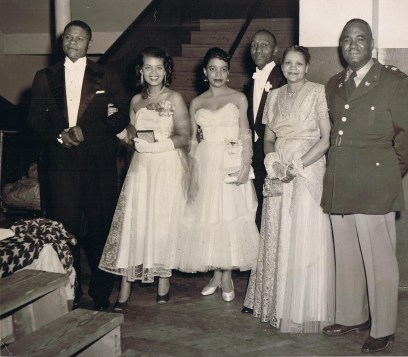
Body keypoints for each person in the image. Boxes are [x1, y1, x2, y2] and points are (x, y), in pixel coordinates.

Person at [321, 19, 408, 353]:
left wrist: (389, 174)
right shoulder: (334, 83)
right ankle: (352, 315)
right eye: (347, 40)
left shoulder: (393, 81)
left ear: (372, 44)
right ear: (341, 46)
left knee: (379, 259)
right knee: (346, 254)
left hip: (376, 182)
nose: (352, 45)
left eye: (360, 39)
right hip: (341, 180)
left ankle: (384, 327)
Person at [27, 20, 130, 311]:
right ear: (63, 41)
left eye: (80, 38)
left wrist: (88, 131)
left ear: (89, 43)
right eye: (69, 38)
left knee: (99, 228)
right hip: (61, 164)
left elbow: (122, 116)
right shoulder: (43, 76)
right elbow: (34, 119)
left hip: (98, 163)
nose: (73, 43)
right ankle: (69, 291)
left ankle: (100, 294)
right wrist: (58, 136)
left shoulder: (107, 75)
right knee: (64, 227)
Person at [242, 45, 335, 333]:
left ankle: (304, 306)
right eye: (288, 63)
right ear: (282, 67)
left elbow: (326, 138)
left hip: (308, 167)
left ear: (307, 67)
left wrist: (298, 166)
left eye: (299, 64)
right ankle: (277, 304)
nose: (293, 68)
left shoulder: (318, 92)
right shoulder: (275, 96)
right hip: (278, 168)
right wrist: (273, 162)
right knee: (278, 232)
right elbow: (268, 138)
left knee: (303, 232)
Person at [99, 47, 191, 309]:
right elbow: (132, 132)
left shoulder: (174, 98)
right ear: (140, 71)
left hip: (166, 165)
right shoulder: (135, 101)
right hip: (142, 167)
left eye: (159, 67)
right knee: (134, 222)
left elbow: (184, 136)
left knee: (162, 223)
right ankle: (125, 286)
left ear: (166, 71)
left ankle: (164, 280)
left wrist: (158, 145)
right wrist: (122, 133)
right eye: (148, 67)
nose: (153, 73)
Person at [176, 47, 260, 302]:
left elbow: (246, 135)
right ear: (205, 72)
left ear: (228, 72)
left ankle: (226, 277)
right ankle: (215, 274)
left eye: (223, 69)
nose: (218, 74)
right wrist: (191, 172)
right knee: (209, 217)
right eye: (212, 69)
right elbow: (192, 140)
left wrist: (245, 167)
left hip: (230, 162)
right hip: (205, 160)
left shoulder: (238, 98)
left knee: (228, 216)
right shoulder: (197, 102)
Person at [244, 29, 286, 231]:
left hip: (273, 151)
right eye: (254, 45)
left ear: (275, 50)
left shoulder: (283, 77)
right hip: (255, 151)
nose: (257, 49)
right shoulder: (250, 81)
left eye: (264, 45)